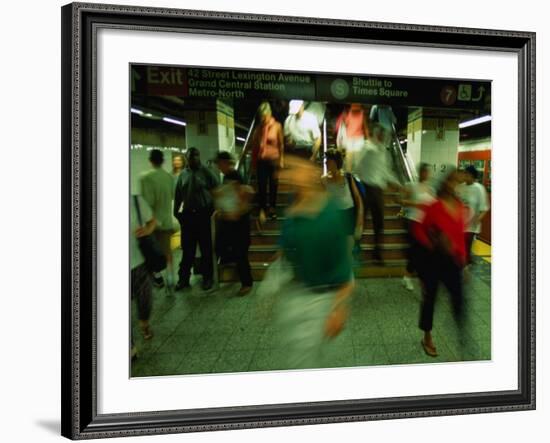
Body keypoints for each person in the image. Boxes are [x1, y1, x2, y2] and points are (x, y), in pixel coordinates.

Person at [276, 155, 355, 369]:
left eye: (295, 168)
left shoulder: (329, 215)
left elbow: (346, 271)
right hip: (298, 296)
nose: (287, 174)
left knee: (323, 366)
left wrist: (338, 310)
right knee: (300, 363)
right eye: (287, 169)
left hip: (324, 301)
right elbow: (285, 249)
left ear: (311, 173)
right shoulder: (293, 211)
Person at [412, 166, 468, 357]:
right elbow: (418, 230)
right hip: (433, 260)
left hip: (453, 262)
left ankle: (462, 334)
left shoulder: (460, 207)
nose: (457, 186)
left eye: (458, 182)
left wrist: (464, 261)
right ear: (446, 184)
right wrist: (433, 242)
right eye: (453, 181)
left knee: (459, 298)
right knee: (430, 300)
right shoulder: (433, 207)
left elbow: (460, 236)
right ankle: (427, 336)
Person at [173, 147, 219, 291]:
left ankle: (207, 278)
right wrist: (178, 215)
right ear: (186, 158)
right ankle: (183, 279)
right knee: (187, 250)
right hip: (188, 217)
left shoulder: (207, 173)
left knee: (206, 250)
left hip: (203, 216)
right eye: (190, 157)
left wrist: (215, 211)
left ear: (199, 157)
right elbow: (178, 197)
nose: (193, 159)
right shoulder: (182, 175)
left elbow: (217, 191)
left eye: (196, 156)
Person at [353, 123, 399, 264]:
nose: (382, 137)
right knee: (360, 221)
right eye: (380, 134)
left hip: (378, 190)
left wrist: (398, 184)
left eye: (383, 135)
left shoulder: (384, 152)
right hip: (365, 188)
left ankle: (377, 253)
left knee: (379, 223)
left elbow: (386, 172)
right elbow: (356, 167)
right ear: (375, 133)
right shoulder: (365, 147)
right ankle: (355, 250)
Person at [213, 151, 254, 296]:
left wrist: (238, 211)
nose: (218, 166)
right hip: (232, 220)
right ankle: (237, 275)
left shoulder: (234, 176)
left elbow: (245, 193)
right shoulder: (228, 177)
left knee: (241, 253)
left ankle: (247, 283)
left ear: (225, 163)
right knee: (231, 249)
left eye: (219, 163)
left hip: (239, 222)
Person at [140, 149, 176, 289]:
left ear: (150, 160)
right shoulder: (168, 177)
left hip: (152, 224)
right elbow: (172, 196)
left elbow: (147, 203)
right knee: (167, 252)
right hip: (166, 221)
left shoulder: (146, 178)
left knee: (148, 252)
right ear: (163, 161)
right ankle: (170, 279)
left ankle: (157, 278)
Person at [400, 163, 435, 291]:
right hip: (413, 222)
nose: (426, 174)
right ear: (419, 172)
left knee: (423, 252)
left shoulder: (430, 189)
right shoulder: (411, 186)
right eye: (424, 171)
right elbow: (400, 200)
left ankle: (411, 276)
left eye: (427, 172)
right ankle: (408, 276)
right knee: (415, 251)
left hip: (426, 225)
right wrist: (416, 204)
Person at [322, 148, 364, 256]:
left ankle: (348, 270)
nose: (326, 163)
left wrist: (359, 217)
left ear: (336, 162)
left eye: (329, 161)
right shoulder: (323, 180)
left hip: (348, 214)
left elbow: (358, 197)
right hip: (333, 216)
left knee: (347, 249)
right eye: (326, 161)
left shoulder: (348, 177)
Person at [130, 194, 156, 359]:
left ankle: (144, 321)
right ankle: (130, 346)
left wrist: (147, 230)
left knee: (145, 298)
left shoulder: (135, 200)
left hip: (138, 260)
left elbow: (152, 220)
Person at [250, 101, 284, 223]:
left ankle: (272, 208)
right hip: (261, 161)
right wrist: (253, 165)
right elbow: (254, 148)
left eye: (265, 116)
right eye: (261, 116)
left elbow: (281, 144)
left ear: (269, 114)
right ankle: (263, 209)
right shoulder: (258, 129)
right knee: (262, 186)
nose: (263, 118)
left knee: (274, 186)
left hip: (274, 160)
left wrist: (281, 159)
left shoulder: (277, 126)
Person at [457, 165, 490, 266]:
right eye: (464, 173)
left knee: (466, 245)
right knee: (459, 246)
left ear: (472, 176)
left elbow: (484, 208)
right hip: (459, 222)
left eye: (466, 174)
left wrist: (478, 219)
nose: (464, 175)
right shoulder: (459, 187)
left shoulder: (479, 189)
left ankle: (465, 264)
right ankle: (463, 262)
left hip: (471, 225)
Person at [335, 103, 369, 171]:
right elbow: (365, 127)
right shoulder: (362, 113)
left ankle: (349, 176)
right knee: (358, 160)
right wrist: (367, 139)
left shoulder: (348, 112)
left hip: (350, 137)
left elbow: (345, 124)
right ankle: (356, 175)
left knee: (349, 159)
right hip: (358, 138)